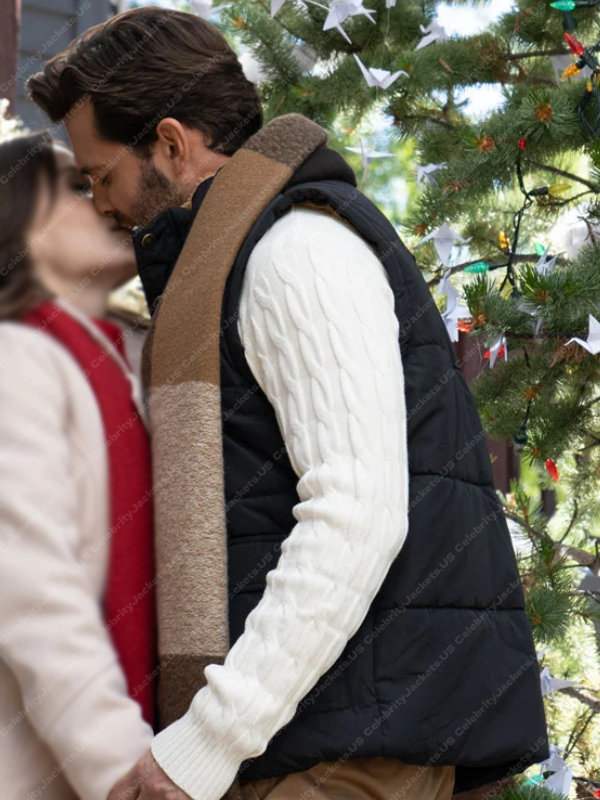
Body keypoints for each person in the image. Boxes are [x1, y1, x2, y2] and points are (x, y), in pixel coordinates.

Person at [28, 8, 550, 800]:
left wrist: (208, 738)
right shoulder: (241, 257)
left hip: (349, 750)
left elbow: (356, 515)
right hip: (322, 735)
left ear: (170, 142)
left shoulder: (295, 252)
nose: (102, 204)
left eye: (103, 175)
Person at [0, 131, 158, 800]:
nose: (104, 196)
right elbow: (30, 583)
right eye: (74, 184)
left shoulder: (129, 368)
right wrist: (123, 762)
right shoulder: (14, 356)